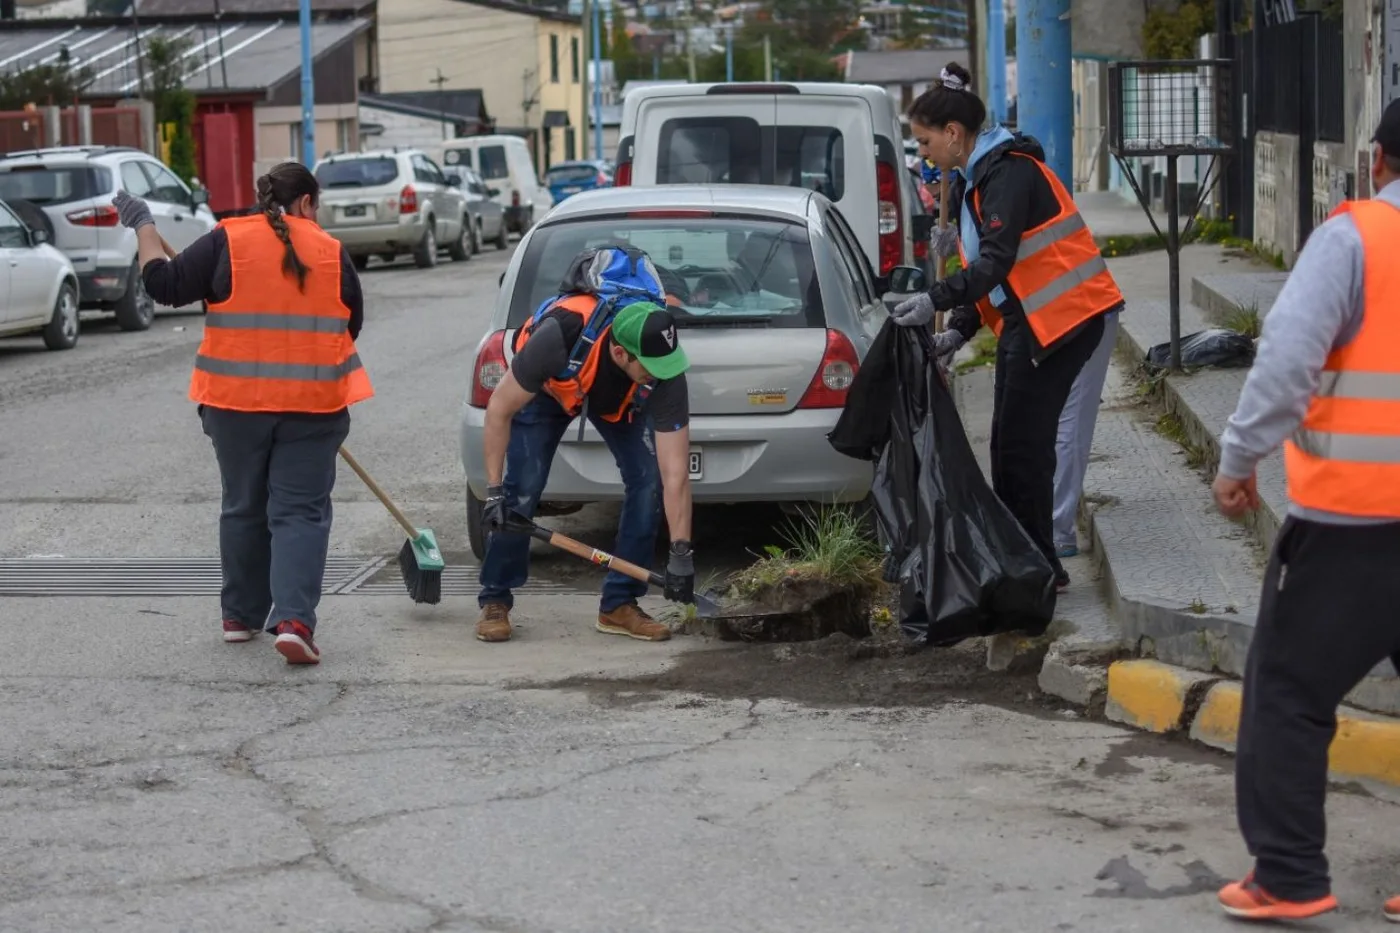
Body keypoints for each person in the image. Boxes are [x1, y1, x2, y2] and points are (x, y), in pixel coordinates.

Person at [1210, 99, 1400, 923]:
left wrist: (1238, 457)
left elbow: (1289, 358)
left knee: (1288, 690)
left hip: (1353, 527)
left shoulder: (1357, 237)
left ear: (1381, 159)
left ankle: (1288, 874)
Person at [113, 161, 370, 666]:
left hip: (234, 406)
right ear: (305, 204)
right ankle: (294, 621)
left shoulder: (225, 240)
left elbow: (162, 286)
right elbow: (351, 323)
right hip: (312, 407)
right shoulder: (331, 252)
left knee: (243, 504)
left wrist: (144, 224)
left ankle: (240, 617)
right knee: (298, 512)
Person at [891, 63, 1125, 589]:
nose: (924, 154)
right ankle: (1031, 559)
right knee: (1009, 444)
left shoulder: (1008, 173)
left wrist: (935, 299)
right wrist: (962, 326)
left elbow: (995, 263)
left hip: (1065, 320)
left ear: (954, 134)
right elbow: (1004, 279)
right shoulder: (985, 178)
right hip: (1036, 322)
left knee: (1024, 447)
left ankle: (1039, 564)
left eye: (926, 142)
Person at [476, 259, 696, 644]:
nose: (659, 375)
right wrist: (493, 491)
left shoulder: (665, 371)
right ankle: (495, 598)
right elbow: (499, 410)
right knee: (522, 488)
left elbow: (675, 472)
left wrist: (681, 553)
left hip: (617, 403)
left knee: (649, 483)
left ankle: (619, 604)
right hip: (552, 390)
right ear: (620, 353)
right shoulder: (558, 336)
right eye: (650, 367)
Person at [1052, 309, 1120, 559]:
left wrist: (959, 329)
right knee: (1063, 422)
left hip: (1082, 315)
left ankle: (1057, 530)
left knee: (1071, 422)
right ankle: (1052, 527)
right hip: (1060, 317)